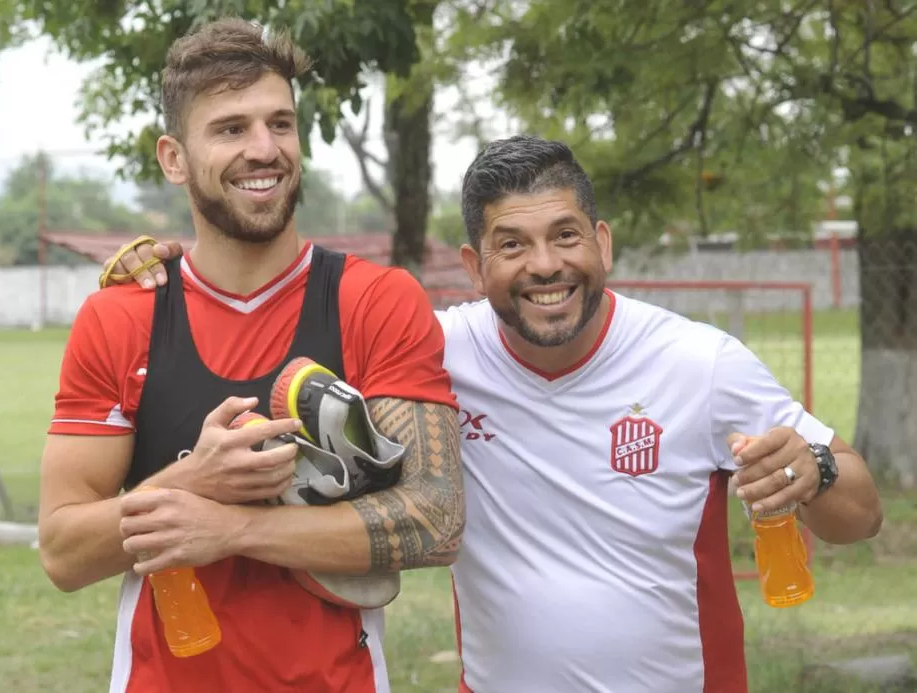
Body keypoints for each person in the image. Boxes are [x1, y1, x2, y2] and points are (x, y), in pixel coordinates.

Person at [101, 135, 883, 692]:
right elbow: (268, 358)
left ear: (602, 244)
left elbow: (860, 512)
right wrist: (182, 270)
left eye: (565, 236)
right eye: (512, 245)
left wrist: (810, 469)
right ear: (474, 266)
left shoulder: (700, 362)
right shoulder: (437, 352)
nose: (545, 265)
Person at [38, 17, 464, 693]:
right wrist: (190, 482)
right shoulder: (121, 316)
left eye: (280, 124)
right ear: (173, 157)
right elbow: (62, 552)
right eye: (231, 128)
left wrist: (232, 526)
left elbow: (437, 520)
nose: (264, 149)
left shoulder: (375, 299)